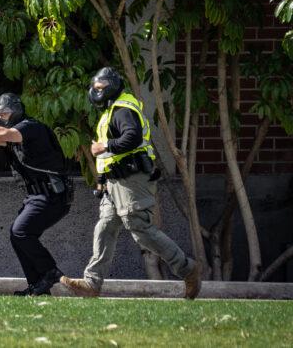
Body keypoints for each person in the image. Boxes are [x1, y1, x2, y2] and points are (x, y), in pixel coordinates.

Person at [59, 67, 202, 299]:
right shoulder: (111, 110)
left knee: (141, 230)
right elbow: (111, 157)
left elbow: (132, 137)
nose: (97, 92)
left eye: (100, 87)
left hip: (131, 180)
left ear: (111, 87)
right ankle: (92, 283)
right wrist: (102, 181)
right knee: (104, 227)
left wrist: (103, 147)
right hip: (114, 183)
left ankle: (188, 269)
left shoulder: (123, 109)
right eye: (95, 87)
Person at [0, 93, 73, 296]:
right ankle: (38, 286)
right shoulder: (13, 134)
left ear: (17, 111)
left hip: (53, 195)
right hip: (36, 196)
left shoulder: (29, 127)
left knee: (21, 232)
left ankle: (50, 271)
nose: (2, 117)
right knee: (17, 235)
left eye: (6, 113)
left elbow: (3, 134)